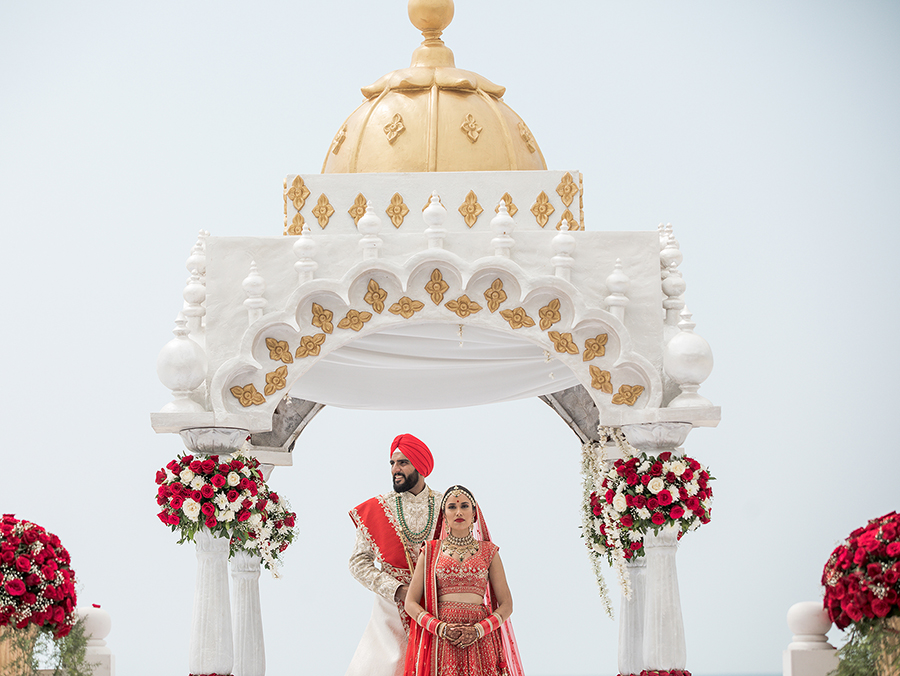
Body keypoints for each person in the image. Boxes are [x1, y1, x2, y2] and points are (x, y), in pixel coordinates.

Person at [346, 434, 443, 676]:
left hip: (438, 607)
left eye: (403, 463)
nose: (395, 470)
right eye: (392, 463)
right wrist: (398, 590)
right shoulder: (376, 508)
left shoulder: (447, 505)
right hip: (390, 611)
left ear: (420, 466)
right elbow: (358, 563)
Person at [403, 486, 525, 676]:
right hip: (442, 638)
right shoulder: (430, 551)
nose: (458, 512)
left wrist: (478, 630)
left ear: (474, 513)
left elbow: (507, 604)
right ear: (444, 515)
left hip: (480, 637)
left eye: (464, 506)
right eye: (452, 507)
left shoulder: (489, 551)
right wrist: (441, 628)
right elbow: (410, 603)